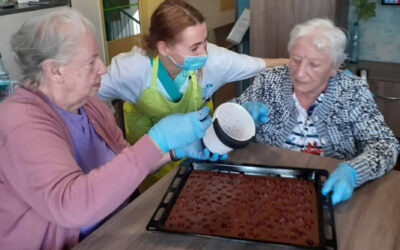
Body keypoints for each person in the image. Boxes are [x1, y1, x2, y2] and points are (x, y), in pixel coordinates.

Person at [0, 8, 217, 250]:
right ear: (54, 70)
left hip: (117, 229)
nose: (102, 69)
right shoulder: (21, 122)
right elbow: (72, 206)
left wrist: (175, 152)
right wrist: (156, 140)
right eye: (91, 61)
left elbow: (129, 164)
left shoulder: (90, 104)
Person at [98, 0, 288, 189]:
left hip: (199, 149)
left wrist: (298, 63)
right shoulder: (131, 69)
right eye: (194, 48)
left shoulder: (214, 59)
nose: (204, 53)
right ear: (164, 47)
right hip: (152, 161)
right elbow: (89, 95)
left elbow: (260, 64)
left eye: (205, 43)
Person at [232, 18, 400, 205]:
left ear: (334, 68)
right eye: (296, 60)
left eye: (314, 65)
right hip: (266, 187)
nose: (300, 73)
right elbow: (226, 121)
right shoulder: (269, 81)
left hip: (326, 190)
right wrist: (239, 115)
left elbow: (386, 144)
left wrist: (353, 173)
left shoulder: (353, 92)